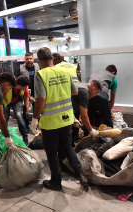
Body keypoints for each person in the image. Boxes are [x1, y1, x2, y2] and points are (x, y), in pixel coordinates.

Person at [31, 47, 88, 191]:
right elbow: (75, 92)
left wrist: (34, 118)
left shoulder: (40, 74)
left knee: (51, 153)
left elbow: (41, 99)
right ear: (52, 58)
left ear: (39, 60)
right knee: (68, 147)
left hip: (50, 122)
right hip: (67, 118)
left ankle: (56, 182)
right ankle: (81, 175)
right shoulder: (64, 71)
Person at [14, 52, 41, 128]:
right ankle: (26, 127)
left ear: (33, 59)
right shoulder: (20, 68)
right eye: (27, 59)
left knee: (37, 109)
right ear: (24, 59)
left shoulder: (38, 66)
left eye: (30, 58)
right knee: (26, 110)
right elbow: (16, 80)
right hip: (25, 93)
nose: (29, 60)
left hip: (37, 91)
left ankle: (38, 125)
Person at [3, 75, 30, 144]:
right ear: (20, 85)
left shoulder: (24, 88)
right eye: (24, 87)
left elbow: (26, 97)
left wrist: (27, 110)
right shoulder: (8, 86)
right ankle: (4, 138)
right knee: (4, 119)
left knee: (19, 116)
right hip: (6, 103)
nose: (25, 88)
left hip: (16, 102)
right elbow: (0, 97)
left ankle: (25, 138)